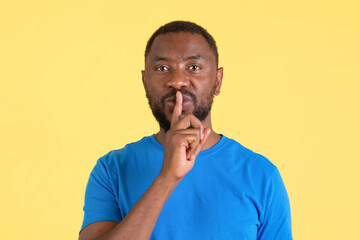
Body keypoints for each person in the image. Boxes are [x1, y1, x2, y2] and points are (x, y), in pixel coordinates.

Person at [79, 21, 292, 240]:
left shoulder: (261, 174)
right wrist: (167, 178)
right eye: (162, 68)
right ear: (144, 82)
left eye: (194, 67)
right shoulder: (111, 169)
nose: (177, 82)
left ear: (217, 81)